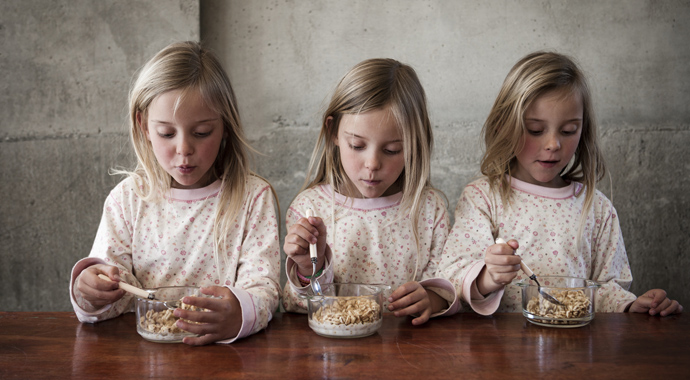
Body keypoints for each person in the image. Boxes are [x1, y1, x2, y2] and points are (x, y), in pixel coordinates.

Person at [68, 41, 282, 345]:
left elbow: (263, 290)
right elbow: (107, 292)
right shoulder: (128, 199)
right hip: (143, 358)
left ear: (225, 126)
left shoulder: (252, 197)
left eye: (202, 132)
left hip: (227, 362)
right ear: (143, 125)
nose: (184, 150)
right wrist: (89, 293)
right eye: (166, 133)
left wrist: (239, 313)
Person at [440, 51, 683, 316]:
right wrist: (489, 277)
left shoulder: (597, 208)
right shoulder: (483, 198)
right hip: (499, 351)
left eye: (568, 131)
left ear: (583, 130)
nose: (553, 144)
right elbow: (452, 277)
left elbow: (605, 289)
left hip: (574, 349)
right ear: (503, 126)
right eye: (535, 130)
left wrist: (632, 305)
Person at [282, 58, 460, 325]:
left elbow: (450, 289)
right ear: (333, 131)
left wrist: (431, 300)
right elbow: (295, 305)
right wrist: (310, 268)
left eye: (392, 150)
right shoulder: (310, 207)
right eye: (356, 145)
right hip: (332, 353)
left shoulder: (428, 209)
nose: (373, 164)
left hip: (408, 351)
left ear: (415, 143)